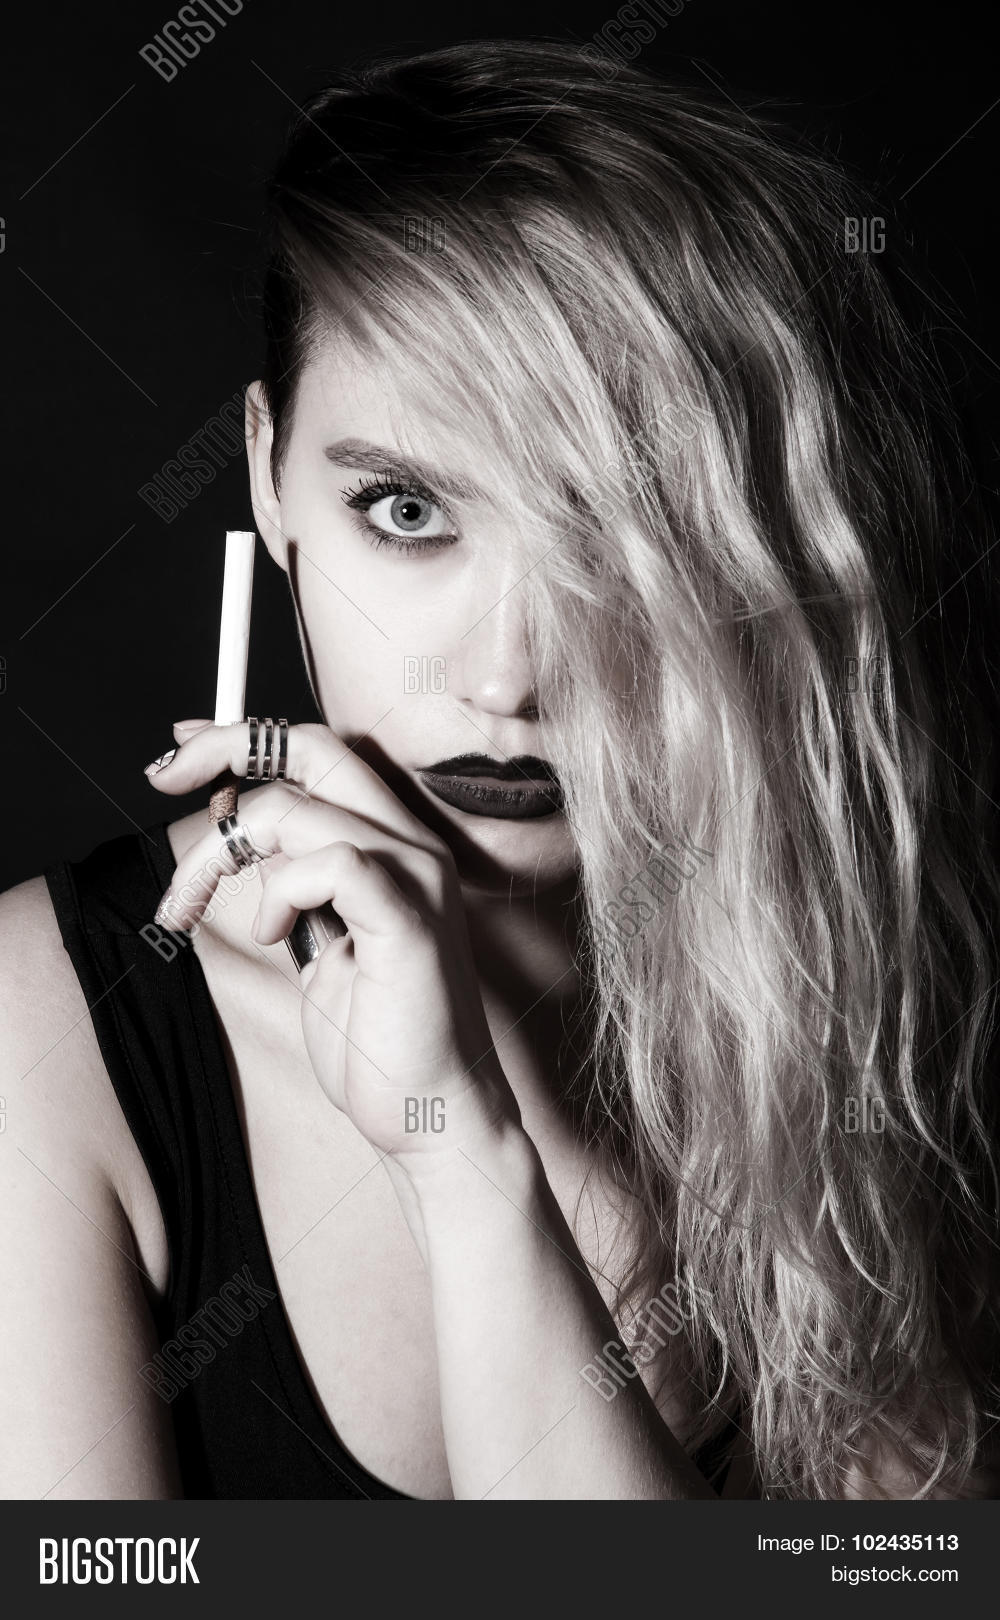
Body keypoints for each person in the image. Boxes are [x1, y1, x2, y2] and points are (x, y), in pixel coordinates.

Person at [3, 38, 999, 1501]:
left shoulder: (897, 997)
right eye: (407, 511)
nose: (506, 679)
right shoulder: (46, 1035)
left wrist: (464, 1160)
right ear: (269, 475)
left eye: (616, 537)